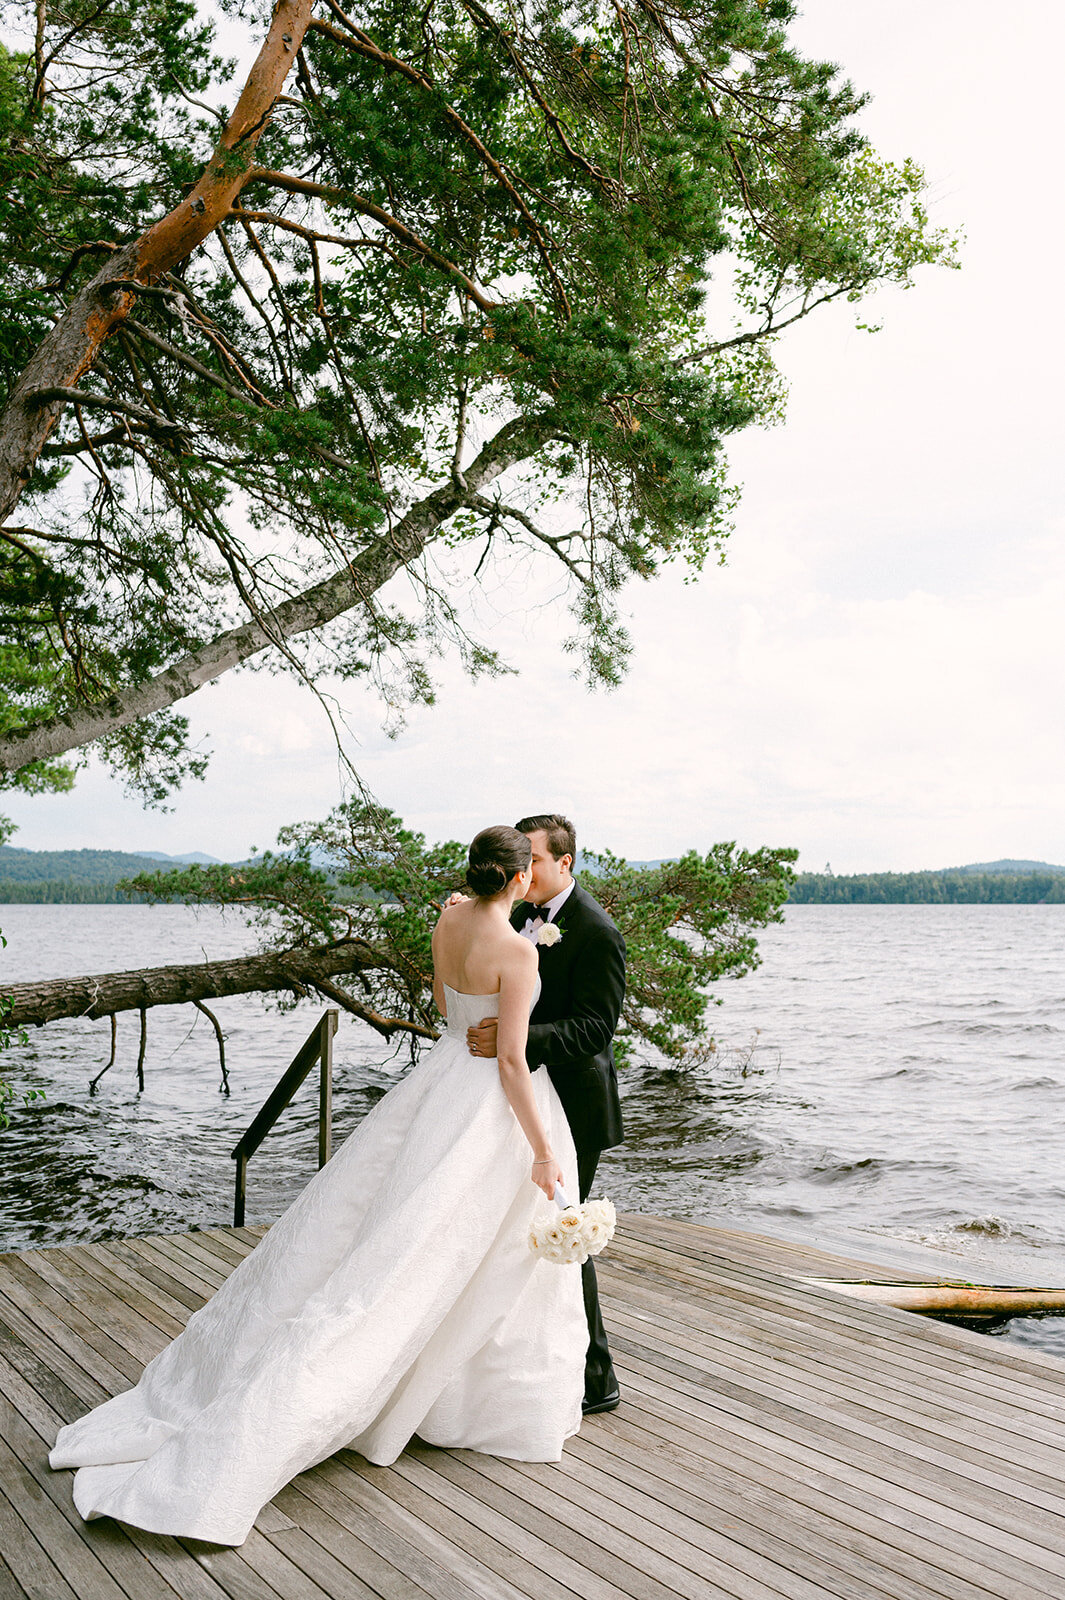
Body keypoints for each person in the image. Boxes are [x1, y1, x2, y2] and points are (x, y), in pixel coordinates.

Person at [48, 826, 586, 1548]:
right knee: (435, 1256)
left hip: (434, 1085)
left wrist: (471, 1021)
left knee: (402, 1242)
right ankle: (408, 1400)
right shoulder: (519, 951)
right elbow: (513, 1064)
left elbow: (439, 1006)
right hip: (483, 1108)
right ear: (520, 881)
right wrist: (544, 1152)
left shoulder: (448, 918)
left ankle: (422, 1390)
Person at [465, 813, 625, 1415]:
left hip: (573, 1104)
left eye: (535, 859)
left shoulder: (596, 931)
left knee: (562, 1234)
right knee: (510, 1229)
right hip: (516, 1102)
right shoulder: (516, 911)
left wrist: (517, 1038)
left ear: (565, 863)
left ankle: (595, 1378)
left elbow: (595, 1027)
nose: (525, 871)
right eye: (520, 861)